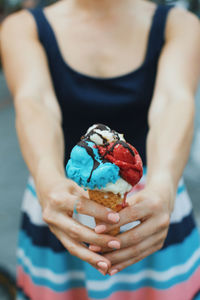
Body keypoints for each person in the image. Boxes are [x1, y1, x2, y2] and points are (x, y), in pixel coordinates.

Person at [1, 0, 200, 299]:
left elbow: (174, 101)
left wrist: (164, 185)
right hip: (61, 199)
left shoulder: (180, 24)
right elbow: (34, 102)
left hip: (154, 202)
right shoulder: (22, 27)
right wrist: (48, 181)